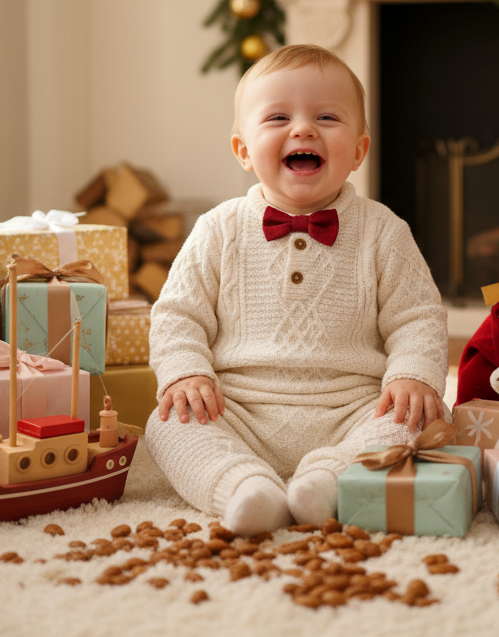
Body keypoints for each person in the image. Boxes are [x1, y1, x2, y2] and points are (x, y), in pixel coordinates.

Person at [145, 44, 449, 536]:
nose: (303, 129)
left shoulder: (383, 230)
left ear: (358, 150)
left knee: (417, 416)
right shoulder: (218, 229)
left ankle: (328, 481)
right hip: (237, 407)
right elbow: (178, 314)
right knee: (166, 423)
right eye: (279, 117)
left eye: (327, 116)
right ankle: (244, 487)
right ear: (244, 150)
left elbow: (417, 316)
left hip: (352, 406)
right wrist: (185, 374)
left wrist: (413, 375)